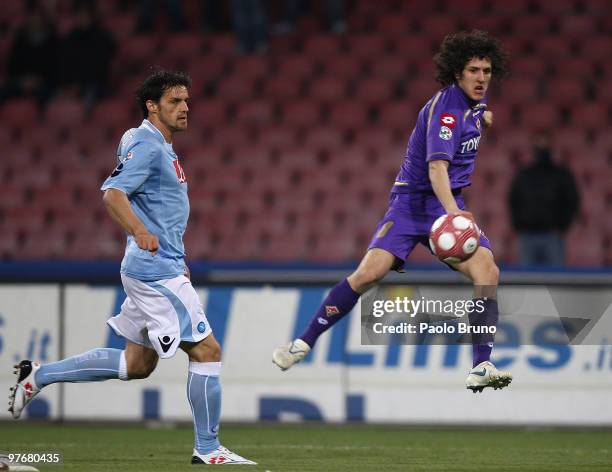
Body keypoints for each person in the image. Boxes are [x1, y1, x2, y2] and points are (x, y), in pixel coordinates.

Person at [9, 70, 256, 466]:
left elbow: (157, 206)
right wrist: (139, 231)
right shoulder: (148, 144)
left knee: (136, 364)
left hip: (158, 265)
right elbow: (113, 193)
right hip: (156, 270)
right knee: (207, 351)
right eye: (175, 101)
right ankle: (208, 450)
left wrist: (173, 252)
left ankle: (39, 375)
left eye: (187, 100)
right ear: (152, 106)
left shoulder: (147, 141)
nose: (185, 107)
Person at [273, 30, 513, 393]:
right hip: (413, 204)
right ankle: (302, 342)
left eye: (487, 70)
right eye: (474, 70)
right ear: (456, 73)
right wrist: (454, 215)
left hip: (445, 203)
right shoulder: (446, 110)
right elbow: (436, 169)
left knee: (487, 272)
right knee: (369, 273)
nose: (482, 78)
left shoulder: (472, 104)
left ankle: (481, 365)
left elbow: (474, 118)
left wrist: (484, 118)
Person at [509, 131, 580, 266]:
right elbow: (513, 201)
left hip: (552, 236)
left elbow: (572, 201)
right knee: (528, 282)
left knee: (556, 281)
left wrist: (562, 227)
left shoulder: (561, 174)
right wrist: (519, 226)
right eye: (538, 144)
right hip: (527, 236)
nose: (542, 148)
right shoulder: (524, 174)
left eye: (545, 143)